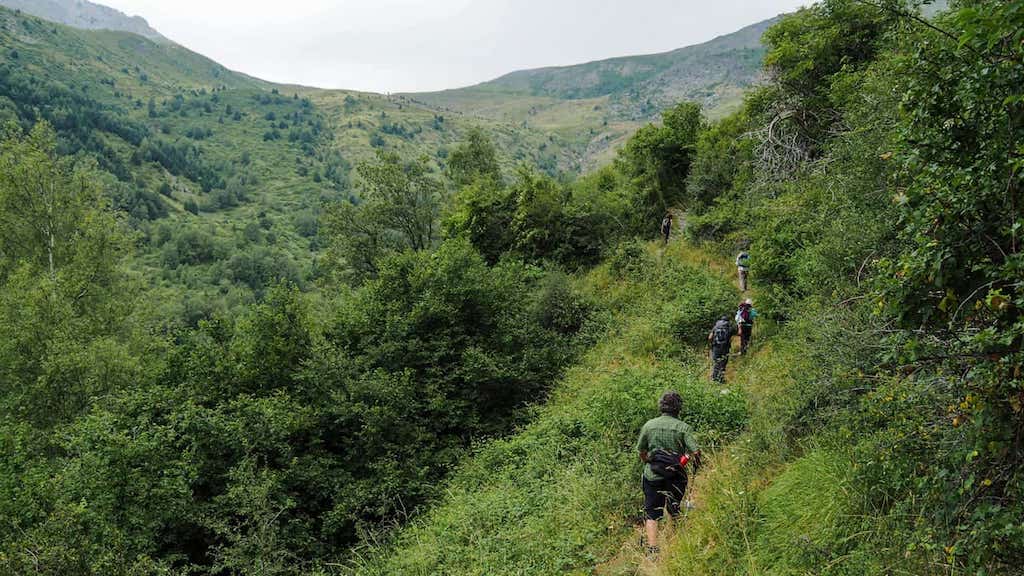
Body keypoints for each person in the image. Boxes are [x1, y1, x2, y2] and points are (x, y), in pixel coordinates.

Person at [636, 391, 701, 557]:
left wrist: (648, 460)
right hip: (676, 475)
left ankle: (653, 551)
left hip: (652, 475)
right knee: (674, 508)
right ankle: (677, 544)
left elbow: (641, 451)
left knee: (652, 513)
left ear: (661, 407)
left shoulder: (649, 425)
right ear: (679, 408)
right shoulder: (683, 428)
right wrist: (690, 462)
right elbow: (696, 451)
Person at [707, 315, 734, 383]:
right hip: (725, 348)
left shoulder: (716, 327)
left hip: (716, 347)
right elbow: (731, 339)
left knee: (716, 362)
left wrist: (711, 345)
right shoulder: (729, 327)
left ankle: (714, 378)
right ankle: (721, 378)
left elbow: (710, 337)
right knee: (723, 363)